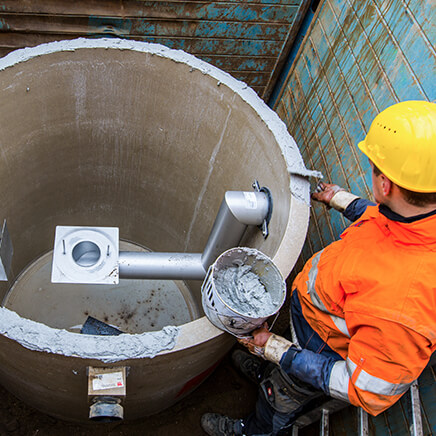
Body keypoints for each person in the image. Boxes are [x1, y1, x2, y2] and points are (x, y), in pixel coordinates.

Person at [201, 100, 436, 436]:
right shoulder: (418, 219)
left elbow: (368, 390)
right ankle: (268, 373)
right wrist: (341, 199)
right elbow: (386, 222)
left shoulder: (402, 306)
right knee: (278, 379)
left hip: (321, 352)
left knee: (277, 403)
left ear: (385, 185)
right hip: (312, 328)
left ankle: (253, 429)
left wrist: (278, 350)